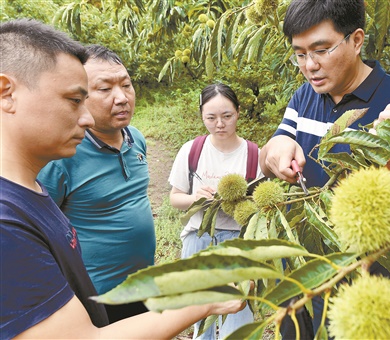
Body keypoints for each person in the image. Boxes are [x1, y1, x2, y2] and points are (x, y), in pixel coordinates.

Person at [0, 19, 244, 339]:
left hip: (136, 287)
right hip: (98, 298)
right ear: (6, 93)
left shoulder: (28, 189)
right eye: (76, 100)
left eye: (126, 85)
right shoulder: (10, 219)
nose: (85, 117)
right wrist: (203, 301)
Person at [258, 0, 390, 338]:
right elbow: (271, 152)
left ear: (357, 39)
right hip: (298, 269)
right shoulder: (303, 97)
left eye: (321, 50)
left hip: (362, 278)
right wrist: (273, 151)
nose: (310, 65)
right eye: (300, 54)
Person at [37, 44, 154, 323]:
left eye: (126, 85)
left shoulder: (135, 138)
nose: (122, 97)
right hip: (97, 295)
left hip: (145, 284)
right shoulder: (64, 156)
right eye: (105, 89)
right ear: (81, 96)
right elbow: (40, 229)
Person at [168, 83, 261, 339]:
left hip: (238, 243)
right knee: (200, 315)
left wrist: (242, 205)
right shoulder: (192, 150)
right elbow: (175, 198)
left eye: (227, 116)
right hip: (199, 238)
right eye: (211, 118)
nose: (220, 124)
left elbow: (263, 208)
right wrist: (195, 199)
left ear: (238, 112)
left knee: (239, 316)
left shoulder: (255, 155)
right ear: (202, 117)